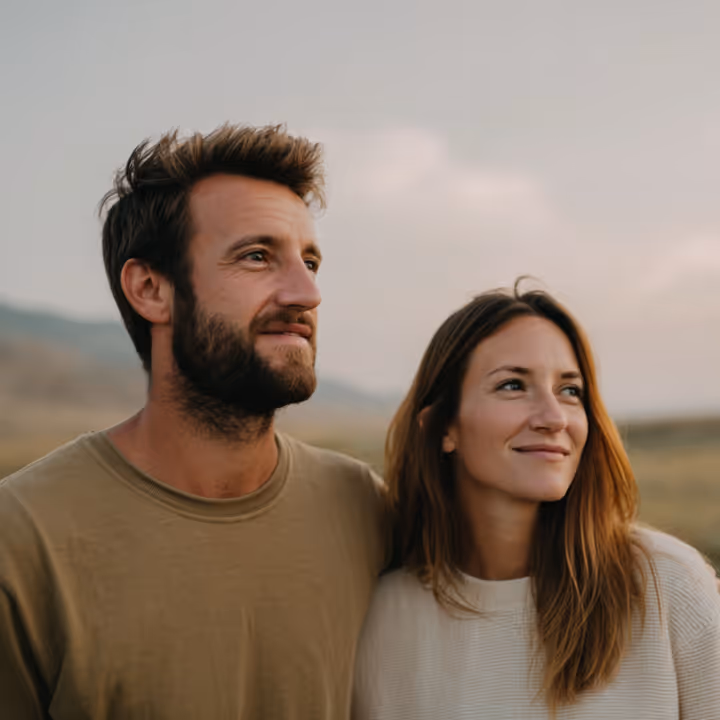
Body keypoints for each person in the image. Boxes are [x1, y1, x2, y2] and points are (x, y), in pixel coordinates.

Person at [0, 125, 387, 719]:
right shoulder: (21, 540)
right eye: (258, 256)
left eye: (309, 260)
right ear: (151, 289)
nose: (307, 292)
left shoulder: (365, 509)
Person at [353, 283, 720, 719]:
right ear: (443, 427)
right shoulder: (382, 621)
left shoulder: (668, 588)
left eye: (570, 391)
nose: (553, 418)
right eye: (513, 385)